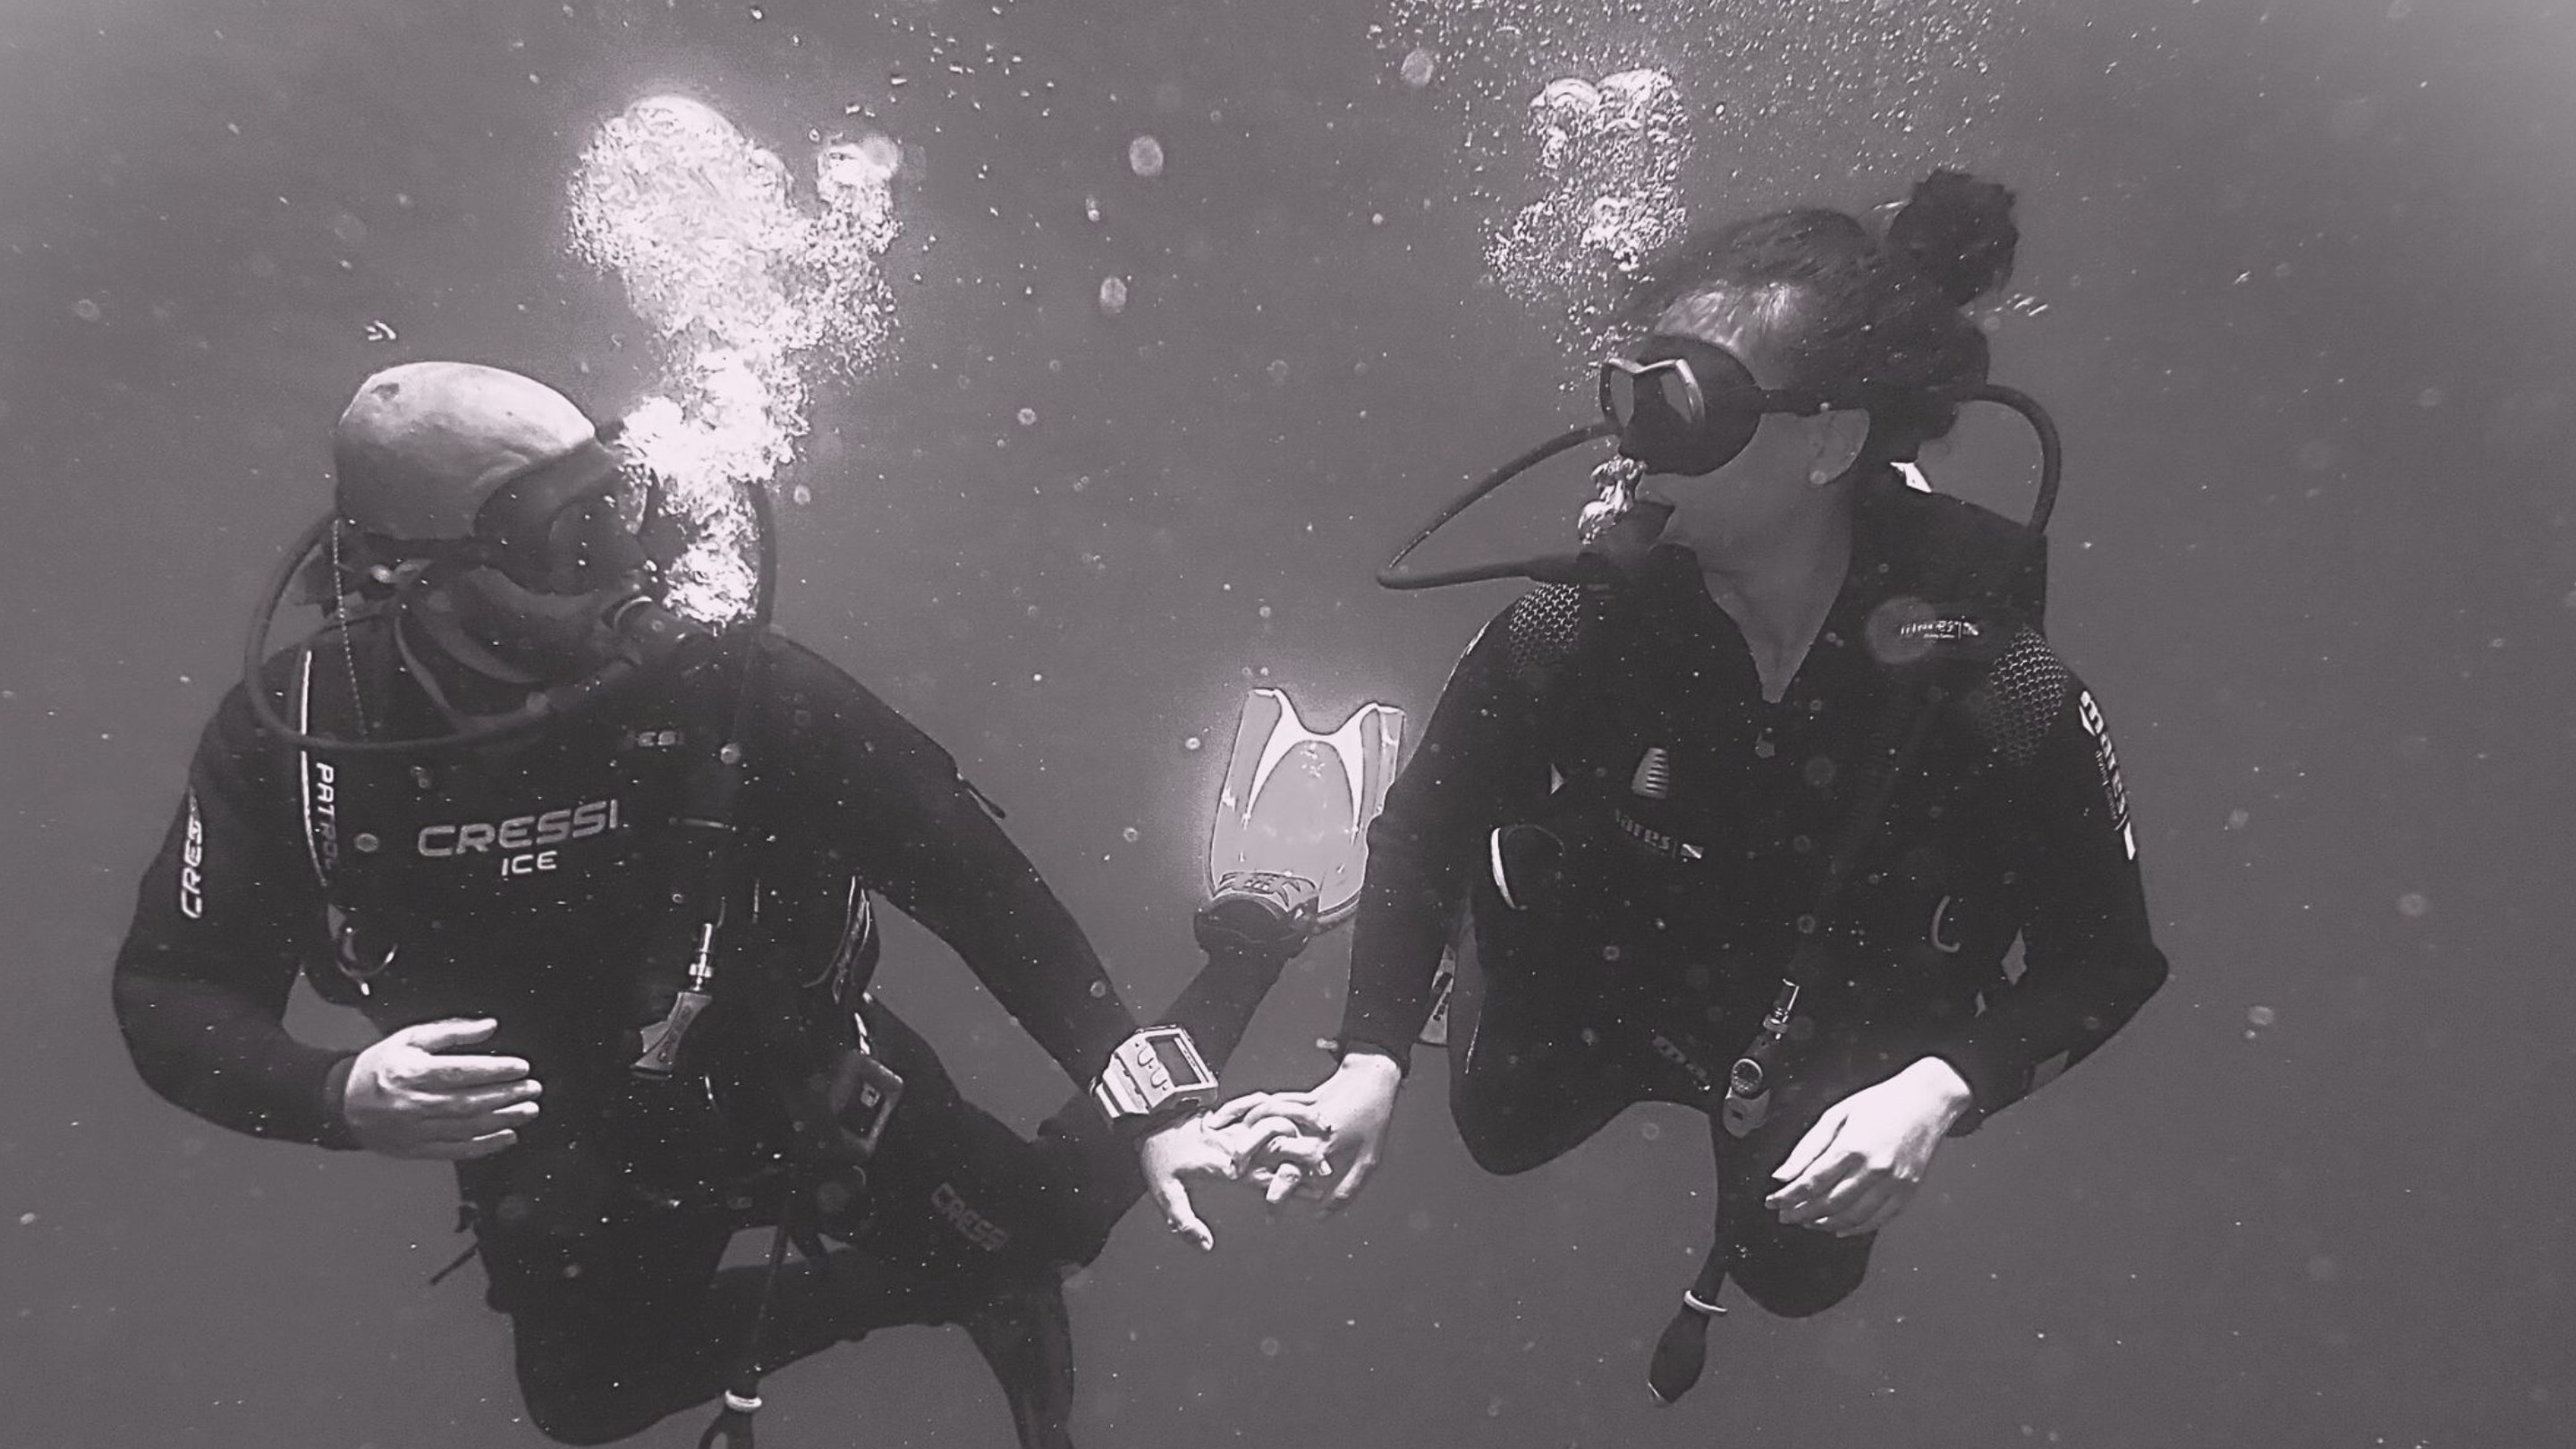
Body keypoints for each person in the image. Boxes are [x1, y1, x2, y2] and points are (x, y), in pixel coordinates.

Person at [110, 360, 1326, 1448]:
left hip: (808, 1081)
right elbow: (171, 988)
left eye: (619, 507)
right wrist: (335, 1097)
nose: (624, 569)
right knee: (582, 1402)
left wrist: (1159, 1098)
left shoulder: (725, 684)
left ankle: (1257, 927)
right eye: (567, 541)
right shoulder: (303, 745)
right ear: (416, 577)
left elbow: (974, 882)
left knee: (1059, 1223)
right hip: (571, 1157)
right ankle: (955, 1281)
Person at [1224, 172, 2172, 1402]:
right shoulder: (1577, 625)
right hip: (1610, 958)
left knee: (1798, 1275)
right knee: (1501, 1132)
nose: (1633, 444)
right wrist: (1369, 1061)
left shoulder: (1985, 676)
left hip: (1820, 1015)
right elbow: (1418, 832)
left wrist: (1940, 1090)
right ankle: (1499, 921)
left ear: (1832, 441)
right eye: (1627, 393)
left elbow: (2109, 959)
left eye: (1685, 404)